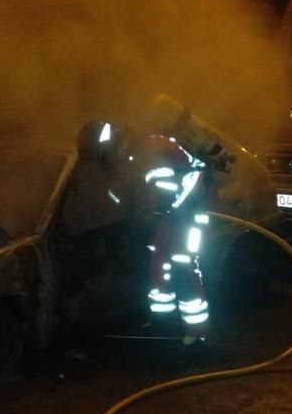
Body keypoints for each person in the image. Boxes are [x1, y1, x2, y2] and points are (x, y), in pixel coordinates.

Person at [76, 120, 218, 344]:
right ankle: (165, 327)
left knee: (183, 265)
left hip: (188, 214)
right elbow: (129, 193)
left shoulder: (147, 150)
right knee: (159, 267)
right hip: (172, 214)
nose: (109, 162)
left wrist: (143, 216)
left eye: (106, 157)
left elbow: (163, 194)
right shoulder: (134, 152)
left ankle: (197, 334)